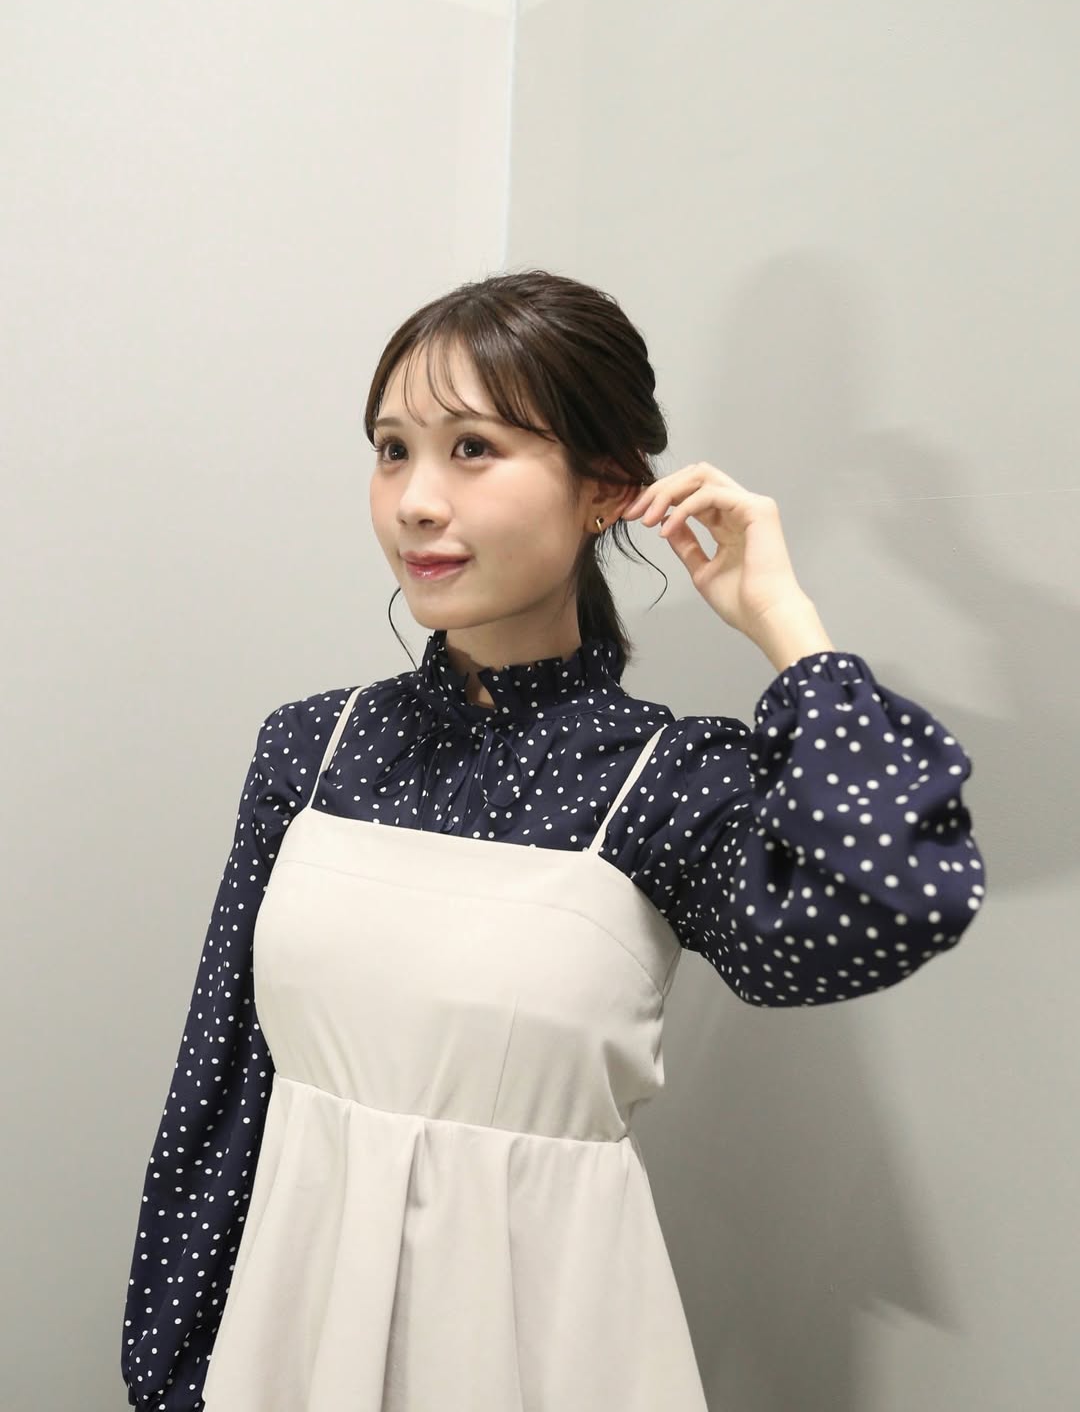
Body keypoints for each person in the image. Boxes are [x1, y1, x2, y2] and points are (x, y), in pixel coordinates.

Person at [120, 270, 986, 1411]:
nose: (416, 501)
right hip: (294, 1338)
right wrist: (172, 1372)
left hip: (539, 1351)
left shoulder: (665, 782)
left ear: (605, 489)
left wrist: (787, 623)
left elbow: (886, 900)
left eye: (473, 449)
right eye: (392, 451)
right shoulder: (312, 749)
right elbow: (222, 1089)